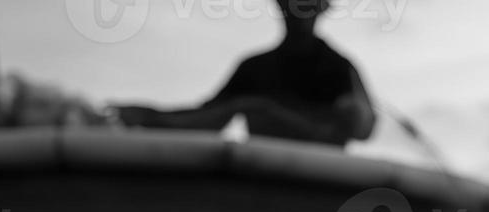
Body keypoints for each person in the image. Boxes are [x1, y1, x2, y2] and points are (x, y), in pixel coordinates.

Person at [115, 0, 376, 147]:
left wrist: (357, 115)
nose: (299, 12)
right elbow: (208, 118)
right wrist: (147, 117)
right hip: (262, 189)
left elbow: (364, 127)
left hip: (318, 194)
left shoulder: (339, 69)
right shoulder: (254, 68)